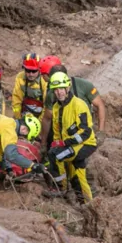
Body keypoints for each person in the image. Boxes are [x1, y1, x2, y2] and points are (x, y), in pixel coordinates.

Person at [46, 72, 97, 204]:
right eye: (56, 90)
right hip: (71, 145)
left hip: (85, 144)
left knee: (55, 156)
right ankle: (86, 204)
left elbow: (85, 132)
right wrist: (56, 143)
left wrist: (65, 143)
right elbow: (57, 130)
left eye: (61, 89)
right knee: (78, 176)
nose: (59, 92)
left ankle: (61, 187)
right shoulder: (56, 107)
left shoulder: (79, 105)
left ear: (67, 88)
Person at [39, 58, 106, 147]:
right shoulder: (51, 95)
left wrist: (101, 131)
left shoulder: (83, 85)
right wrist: (44, 143)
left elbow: (100, 105)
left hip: (84, 131)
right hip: (64, 134)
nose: (59, 91)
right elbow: (47, 119)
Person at [11, 52, 48, 120]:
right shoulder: (20, 77)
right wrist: (19, 118)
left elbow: (47, 106)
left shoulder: (44, 80)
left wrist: (40, 121)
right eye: (28, 70)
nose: (30, 74)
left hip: (41, 114)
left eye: (34, 71)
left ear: (39, 70)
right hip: (25, 113)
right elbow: (16, 100)